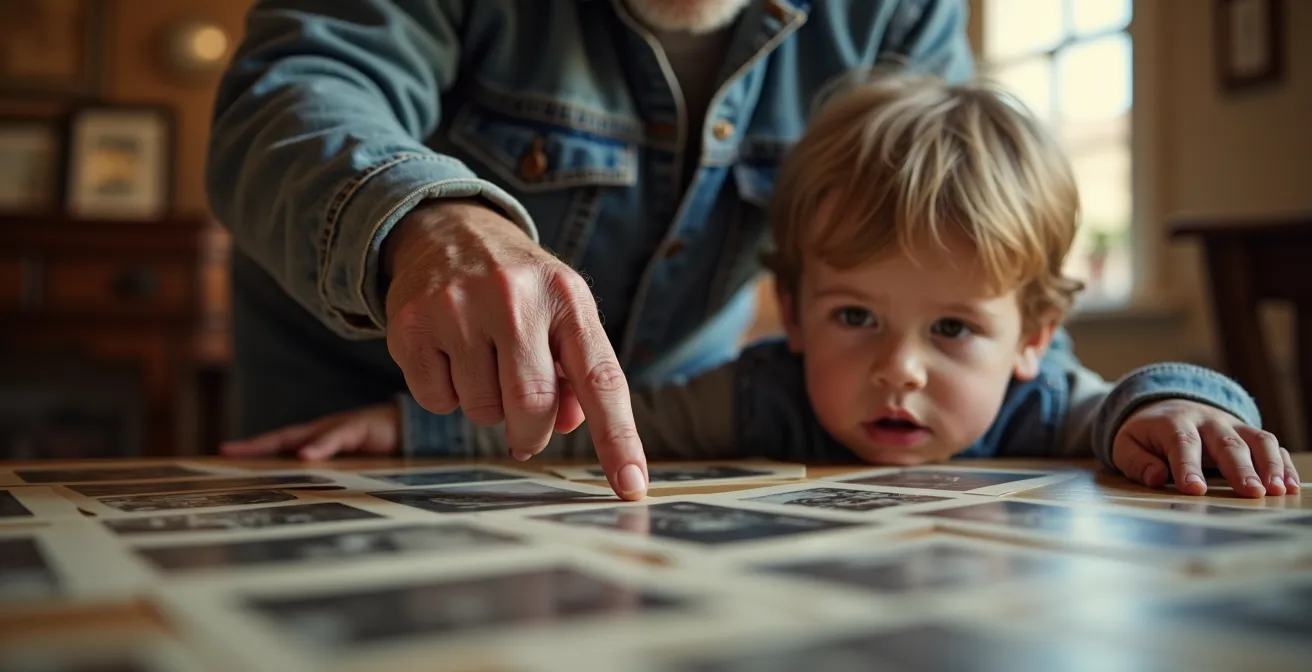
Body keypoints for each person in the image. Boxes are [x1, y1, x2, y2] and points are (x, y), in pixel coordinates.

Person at [224, 73, 1301, 499]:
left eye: (955, 330)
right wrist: (399, 427)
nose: (897, 368)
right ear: (790, 304)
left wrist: (1177, 403)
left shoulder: (1043, 403)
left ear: (1034, 335)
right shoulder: (760, 393)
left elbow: (1128, 405)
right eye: (853, 315)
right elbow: (591, 421)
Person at [208, 0, 979, 501]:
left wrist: (1101, 413)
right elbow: (293, 88)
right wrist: (430, 222)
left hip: (678, 437)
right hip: (346, 422)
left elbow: (971, 252)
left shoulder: (902, 15)